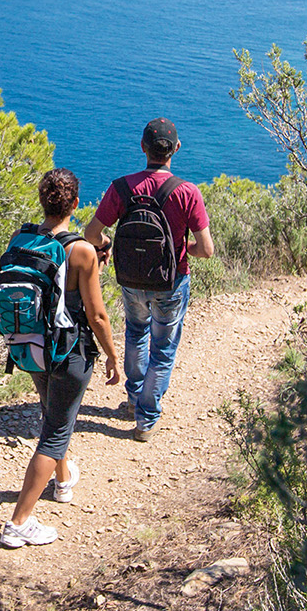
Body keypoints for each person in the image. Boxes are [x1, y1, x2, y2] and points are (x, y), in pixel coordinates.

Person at [0, 168, 121, 547]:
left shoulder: (20, 239)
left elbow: (2, 291)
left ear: (43, 202)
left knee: (52, 413)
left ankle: (61, 482)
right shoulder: (82, 251)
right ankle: (19, 522)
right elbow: (97, 315)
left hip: (29, 346)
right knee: (57, 430)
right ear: (75, 204)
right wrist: (111, 355)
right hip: (70, 352)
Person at [85, 118, 215, 441]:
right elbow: (207, 250)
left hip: (130, 278)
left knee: (136, 332)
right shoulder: (187, 192)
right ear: (177, 149)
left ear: (143, 147)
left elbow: (91, 234)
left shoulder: (121, 188)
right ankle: (145, 419)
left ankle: (133, 399)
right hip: (171, 281)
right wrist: (183, 249)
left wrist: (106, 246)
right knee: (164, 347)